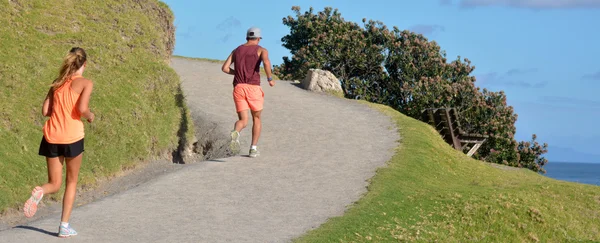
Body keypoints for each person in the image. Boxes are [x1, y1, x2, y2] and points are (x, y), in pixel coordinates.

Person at [23, 47, 95, 238]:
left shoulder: (57, 83)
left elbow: (45, 110)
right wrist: (90, 116)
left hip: (52, 137)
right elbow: (82, 107)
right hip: (72, 137)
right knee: (71, 182)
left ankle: (41, 191)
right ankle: (64, 226)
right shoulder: (86, 83)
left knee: (54, 183)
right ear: (84, 64)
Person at [221, 27, 275, 158]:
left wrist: (237, 73)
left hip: (238, 88)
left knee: (243, 120)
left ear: (247, 37)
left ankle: (236, 132)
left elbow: (225, 68)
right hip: (253, 88)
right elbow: (266, 63)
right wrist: (270, 78)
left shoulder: (236, 50)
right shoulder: (261, 50)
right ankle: (253, 148)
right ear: (258, 38)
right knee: (256, 118)